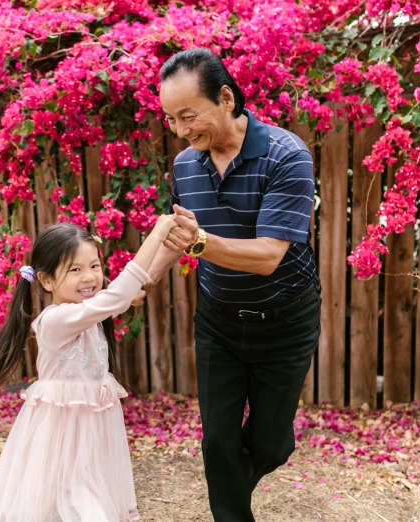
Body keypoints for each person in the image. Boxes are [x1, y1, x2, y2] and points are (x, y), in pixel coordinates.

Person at [137, 48, 322, 521]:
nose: (180, 131)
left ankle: (267, 449)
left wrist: (198, 243)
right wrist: (140, 282)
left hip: (284, 323)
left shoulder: (286, 155)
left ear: (225, 97)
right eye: (171, 119)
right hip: (217, 322)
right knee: (218, 441)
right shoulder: (185, 166)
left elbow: (267, 257)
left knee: (270, 446)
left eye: (188, 116)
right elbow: (180, 237)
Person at [0, 217, 178, 522]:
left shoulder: (87, 312)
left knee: (78, 497)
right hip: (60, 433)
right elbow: (117, 296)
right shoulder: (56, 321)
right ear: (47, 281)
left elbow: (120, 296)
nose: (89, 277)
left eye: (94, 266)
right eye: (75, 270)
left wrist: (171, 248)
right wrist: (157, 233)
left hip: (91, 431)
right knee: (67, 501)